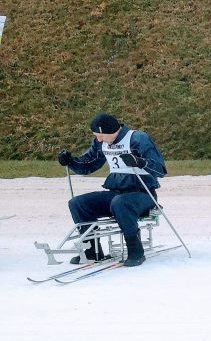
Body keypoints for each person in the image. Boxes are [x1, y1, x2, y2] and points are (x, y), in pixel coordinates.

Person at [56, 113, 167, 267]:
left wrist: (140, 162)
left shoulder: (138, 138)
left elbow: (161, 170)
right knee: (78, 203)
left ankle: (136, 251)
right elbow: (88, 165)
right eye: (96, 136)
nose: (99, 140)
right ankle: (92, 253)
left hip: (143, 195)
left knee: (120, 203)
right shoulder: (101, 142)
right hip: (116, 194)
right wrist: (71, 162)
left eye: (100, 136)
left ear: (109, 131)